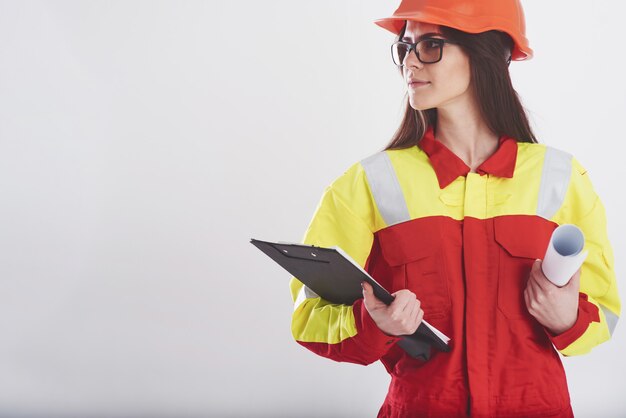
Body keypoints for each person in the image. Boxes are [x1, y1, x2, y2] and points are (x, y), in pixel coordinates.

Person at [288, 0, 621, 416]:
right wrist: (375, 325)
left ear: (486, 54)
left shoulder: (560, 177)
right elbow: (309, 318)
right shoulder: (367, 184)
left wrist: (566, 318)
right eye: (404, 46)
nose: (410, 61)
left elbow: (604, 313)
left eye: (430, 45)